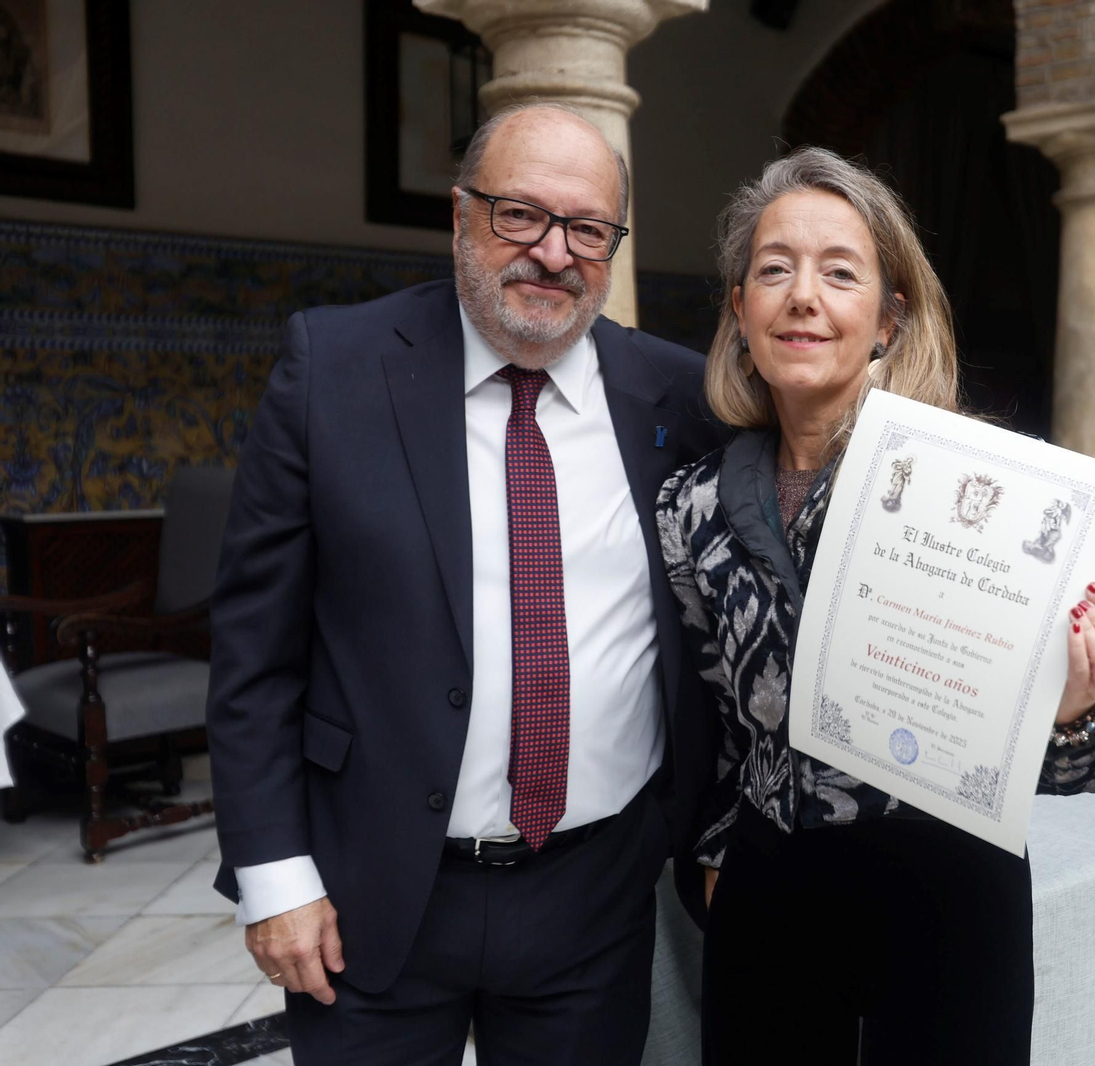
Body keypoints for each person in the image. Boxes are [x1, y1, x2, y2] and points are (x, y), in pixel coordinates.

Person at [206, 103, 723, 1065]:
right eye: (519, 214)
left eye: (587, 229)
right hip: (369, 899)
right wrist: (275, 875)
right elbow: (252, 655)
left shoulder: (680, 397)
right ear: (459, 217)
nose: (554, 253)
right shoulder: (335, 370)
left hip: (593, 899)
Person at [655, 147, 1095, 1066]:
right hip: (773, 891)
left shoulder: (980, 495)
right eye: (774, 269)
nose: (804, 295)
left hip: (950, 891)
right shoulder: (691, 507)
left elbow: (1071, 773)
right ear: (740, 312)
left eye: (841, 273)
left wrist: (1081, 704)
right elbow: (723, 725)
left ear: (887, 320)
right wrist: (721, 857)